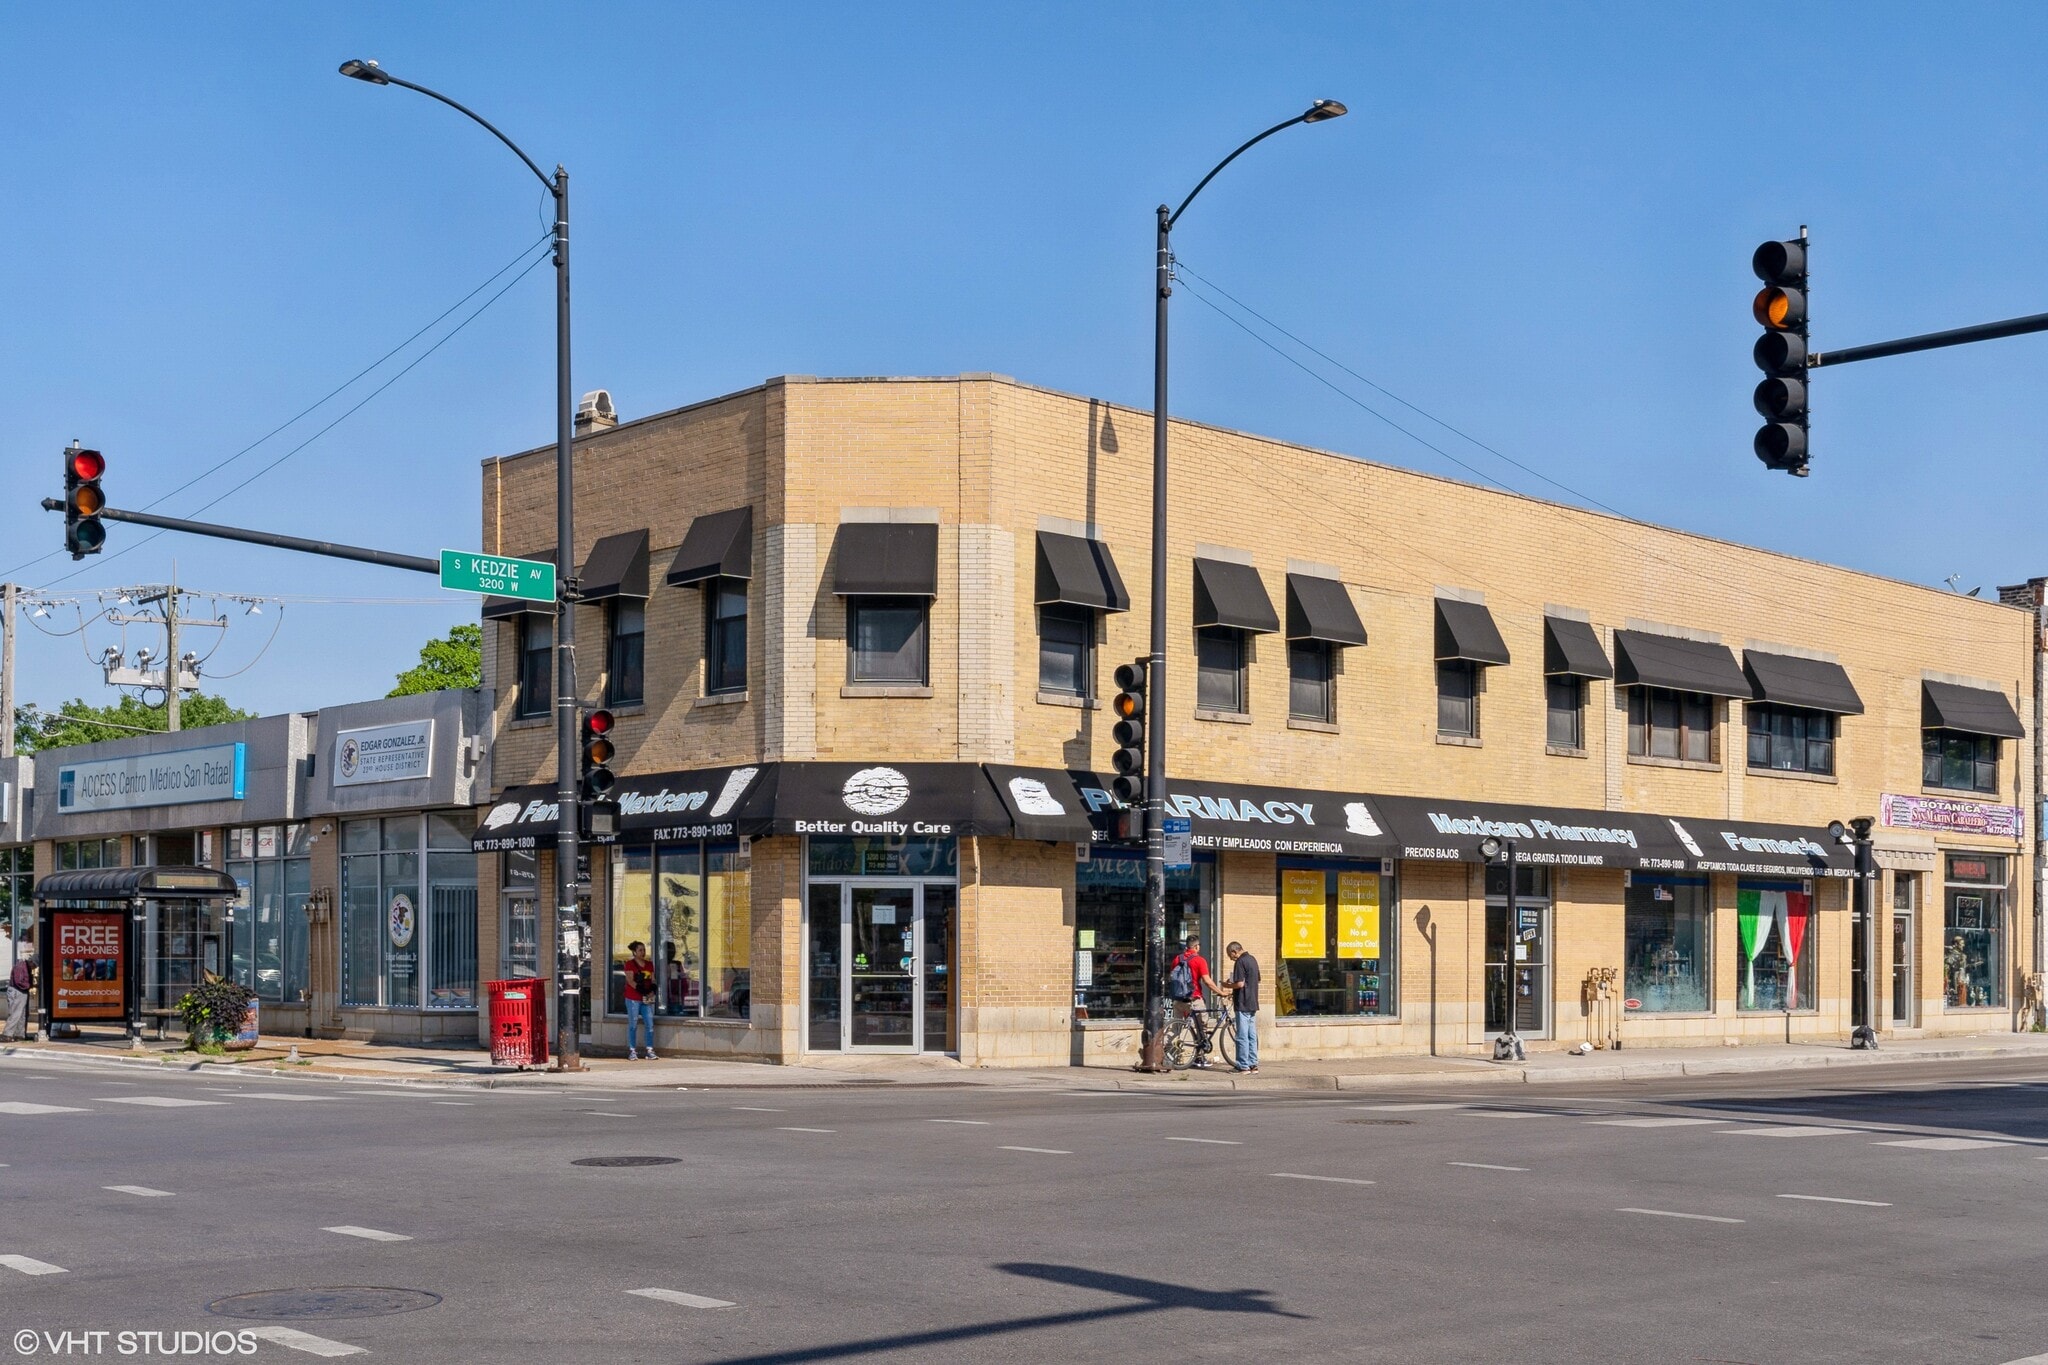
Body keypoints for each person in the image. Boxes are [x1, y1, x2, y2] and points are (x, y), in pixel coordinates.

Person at [1170, 934, 1226, 1068]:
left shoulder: (1177, 959)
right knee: (1202, 1026)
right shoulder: (1199, 960)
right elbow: (1207, 981)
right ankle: (1200, 1057)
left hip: (1178, 999)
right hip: (1194, 998)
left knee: (1175, 1029)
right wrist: (1220, 992)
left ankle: (1167, 1054)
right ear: (1196, 947)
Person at [1222, 940, 1261, 1074]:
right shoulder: (1252, 960)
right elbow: (1257, 979)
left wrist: (1227, 985)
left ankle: (1243, 1065)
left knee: (1242, 1035)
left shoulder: (1240, 962)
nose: (1230, 958)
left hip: (1243, 1002)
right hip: (1253, 1001)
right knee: (1251, 1035)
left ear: (1235, 951)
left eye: (1230, 955)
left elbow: (1239, 984)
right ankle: (1253, 1064)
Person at [621, 941, 658, 1059]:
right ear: (634, 952)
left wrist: (652, 990)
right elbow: (630, 981)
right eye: (640, 950)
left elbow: (653, 979)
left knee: (649, 1024)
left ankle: (650, 1049)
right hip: (633, 998)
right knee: (633, 1024)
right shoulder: (630, 964)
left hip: (646, 998)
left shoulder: (649, 964)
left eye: (644, 950)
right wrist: (642, 990)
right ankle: (632, 1050)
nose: (643, 952)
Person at [4, 932, 34, 1042]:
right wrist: (30, 985)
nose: (34, 967)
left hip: (21, 991)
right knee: (16, 1013)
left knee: (23, 1014)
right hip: (18, 990)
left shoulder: (25, 965)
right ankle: (7, 1034)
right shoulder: (21, 965)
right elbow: (19, 982)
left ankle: (20, 1035)